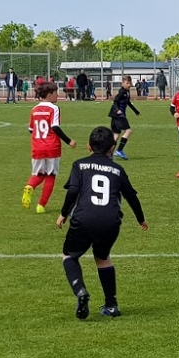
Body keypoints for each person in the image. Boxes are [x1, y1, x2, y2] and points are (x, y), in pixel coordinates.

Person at [56, 126, 148, 319]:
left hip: (83, 218)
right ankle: (111, 305)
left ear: (88, 146)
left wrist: (63, 213)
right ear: (112, 148)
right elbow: (131, 196)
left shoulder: (79, 165)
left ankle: (80, 290)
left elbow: (73, 191)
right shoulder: (117, 170)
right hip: (110, 221)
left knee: (69, 256)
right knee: (102, 257)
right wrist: (141, 219)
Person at [22, 82, 77, 214]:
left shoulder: (34, 109)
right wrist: (69, 141)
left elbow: (31, 130)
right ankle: (41, 205)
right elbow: (55, 127)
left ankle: (30, 186)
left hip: (37, 147)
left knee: (38, 174)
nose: (58, 95)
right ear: (49, 95)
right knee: (50, 176)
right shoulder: (54, 108)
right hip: (52, 147)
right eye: (56, 93)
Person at [108, 76, 141, 160]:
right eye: (127, 83)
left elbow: (128, 102)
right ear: (122, 83)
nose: (129, 85)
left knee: (116, 135)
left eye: (130, 83)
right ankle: (119, 150)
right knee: (128, 131)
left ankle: (109, 154)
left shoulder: (126, 92)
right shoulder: (122, 92)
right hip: (119, 115)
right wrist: (117, 110)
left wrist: (136, 111)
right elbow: (115, 101)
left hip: (115, 115)